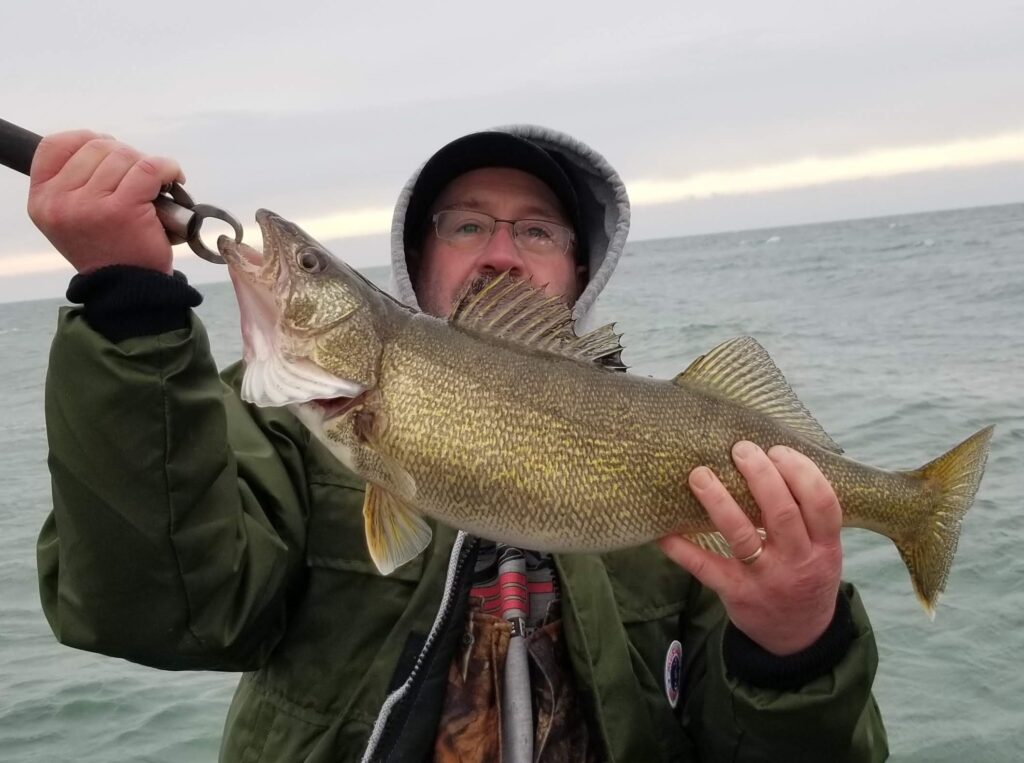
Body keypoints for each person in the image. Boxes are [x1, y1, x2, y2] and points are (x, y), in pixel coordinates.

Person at [30, 125, 889, 761]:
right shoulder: (281, 424)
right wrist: (129, 310)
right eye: (468, 224)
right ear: (417, 255)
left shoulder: (679, 442)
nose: (504, 253)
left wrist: (795, 643)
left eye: (540, 230)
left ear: (582, 271)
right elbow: (154, 610)